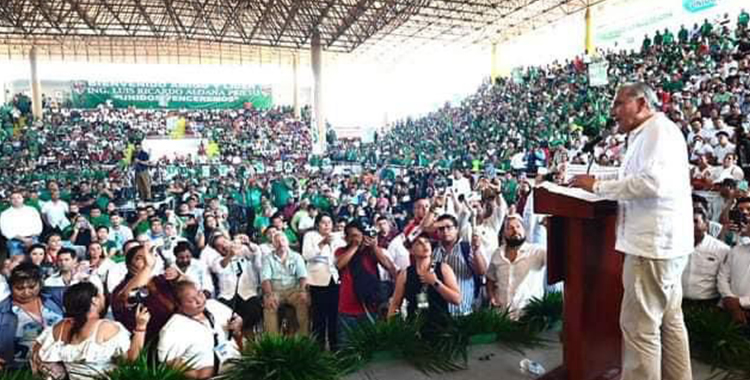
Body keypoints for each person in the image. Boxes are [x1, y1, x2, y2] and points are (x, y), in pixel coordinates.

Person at [572, 82, 693, 380]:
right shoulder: (652, 132)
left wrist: (598, 186)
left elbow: (652, 183)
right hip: (664, 246)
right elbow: (634, 174)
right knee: (669, 321)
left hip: (650, 247)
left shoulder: (657, 133)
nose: (614, 112)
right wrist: (595, 176)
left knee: (640, 329)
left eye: (619, 103)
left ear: (640, 103)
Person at [32, 282, 150, 380]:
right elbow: (132, 360)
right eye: (101, 295)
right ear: (94, 300)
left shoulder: (60, 326)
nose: (104, 298)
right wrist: (141, 326)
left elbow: (36, 351)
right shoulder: (106, 327)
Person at [158, 281, 242, 379]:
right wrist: (196, 375)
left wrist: (238, 324)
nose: (199, 300)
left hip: (237, 369)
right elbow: (168, 360)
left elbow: (238, 319)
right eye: (191, 300)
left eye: (199, 293)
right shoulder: (172, 328)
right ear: (179, 305)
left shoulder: (214, 305)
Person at [335, 221, 395, 343]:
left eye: (359, 235)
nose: (357, 238)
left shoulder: (371, 253)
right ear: (346, 238)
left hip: (369, 308)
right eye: (352, 236)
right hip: (347, 309)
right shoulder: (341, 251)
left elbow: (388, 265)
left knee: (370, 347)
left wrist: (374, 246)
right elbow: (339, 264)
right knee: (346, 347)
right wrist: (354, 246)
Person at [0, 262, 65, 370]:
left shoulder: (53, 297)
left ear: (40, 284)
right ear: (10, 287)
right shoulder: (3, 311)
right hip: (20, 368)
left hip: (59, 364)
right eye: (19, 288)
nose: (26, 292)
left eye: (32, 287)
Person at [110, 244, 182, 343]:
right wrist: (147, 267)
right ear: (129, 265)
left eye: (147, 257)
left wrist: (179, 276)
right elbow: (125, 297)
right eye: (139, 258)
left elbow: (191, 290)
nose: (146, 260)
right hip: (143, 344)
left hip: (174, 336)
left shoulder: (160, 280)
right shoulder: (121, 288)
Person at [387, 234, 460, 323]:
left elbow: (457, 299)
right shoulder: (405, 274)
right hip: (415, 326)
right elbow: (395, 303)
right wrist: (391, 326)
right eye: (419, 243)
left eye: (427, 242)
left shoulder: (443, 268)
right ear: (411, 250)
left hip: (441, 326)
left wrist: (435, 282)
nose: (425, 245)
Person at [486, 214, 546, 320]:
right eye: (509, 228)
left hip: (529, 316)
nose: (515, 230)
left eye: (518, 226)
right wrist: (491, 295)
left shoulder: (537, 252)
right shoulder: (497, 254)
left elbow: (558, 260)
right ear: (504, 233)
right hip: (502, 316)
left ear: (524, 230)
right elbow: (490, 278)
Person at [302, 213, 345, 350]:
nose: (327, 225)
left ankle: (334, 348)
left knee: (334, 315)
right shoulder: (310, 236)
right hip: (317, 280)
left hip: (335, 279)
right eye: (323, 222)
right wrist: (322, 244)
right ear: (317, 224)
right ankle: (318, 349)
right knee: (319, 317)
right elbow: (307, 255)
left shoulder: (338, 237)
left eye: (329, 222)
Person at [433, 214, 486, 316]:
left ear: (457, 229)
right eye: (441, 228)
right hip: (438, 314)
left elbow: (481, 272)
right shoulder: (432, 250)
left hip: (463, 311)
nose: (445, 231)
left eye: (449, 227)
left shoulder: (467, 249)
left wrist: (476, 252)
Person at [260, 233, 309, 336]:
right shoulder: (268, 258)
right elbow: (265, 279)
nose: (281, 244)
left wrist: (303, 291)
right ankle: (273, 341)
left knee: (303, 300)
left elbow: (303, 276)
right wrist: (269, 295)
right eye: (277, 242)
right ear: (273, 245)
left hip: (293, 290)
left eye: (283, 241)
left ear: (288, 242)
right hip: (275, 290)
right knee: (269, 304)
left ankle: (303, 338)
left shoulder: (296, 257)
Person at [682, 208, 730, 303]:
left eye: (695, 221)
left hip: (708, 304)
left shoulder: (722, 249)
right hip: (678, 302)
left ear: (706, 225)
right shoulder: (675, 247)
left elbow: (726, 280)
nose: (690, 225)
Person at [1, 189, 44, 257]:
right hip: (15, 241)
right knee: (16, 264)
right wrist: (23, 239)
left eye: (18, 197)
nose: (16, 200)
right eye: (13, 198)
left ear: (23, 199)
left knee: (35, 261)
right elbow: (5, 231)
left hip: (32, 239)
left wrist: (31, 239)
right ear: (9, 200)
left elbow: (39, 226)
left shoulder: (32, 210)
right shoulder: (5, 214)